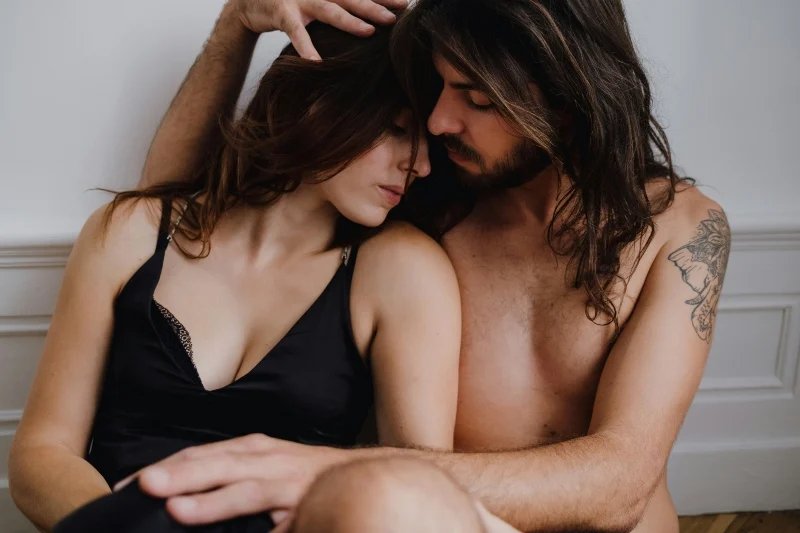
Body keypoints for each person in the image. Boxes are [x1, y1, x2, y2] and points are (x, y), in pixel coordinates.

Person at [118, 0, 732, 532]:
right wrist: (236, 25)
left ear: (569, 99)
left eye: (478, 99)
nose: (439, 122)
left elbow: (622, 483)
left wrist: (333, 473)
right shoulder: (430, 201)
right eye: (442, 86)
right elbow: (170, 216)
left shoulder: (680, 230)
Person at [7, 12, 466, 532]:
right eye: (398, 130)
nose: (421, 165)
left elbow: (419, 492)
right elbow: (42, 454)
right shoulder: (131, 232)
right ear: (316, 104)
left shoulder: (401, 269)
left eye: (428, 144)